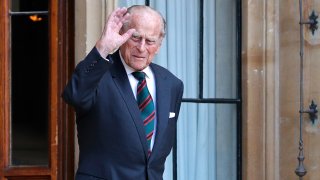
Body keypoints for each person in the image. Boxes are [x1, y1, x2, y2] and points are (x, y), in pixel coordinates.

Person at [62, 5, 184, 180]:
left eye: (150, 41)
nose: (142, 48)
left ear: (159, 45)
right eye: (135, 37)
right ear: (121, 34)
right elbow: (75, 95)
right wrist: (103, 48)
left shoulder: (171, 84)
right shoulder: (99, 74)